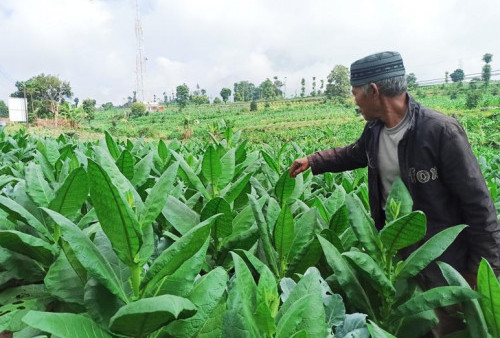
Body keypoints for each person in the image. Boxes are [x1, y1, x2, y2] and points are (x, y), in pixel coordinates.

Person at [289, 51, 500, 335]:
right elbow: (353, 154)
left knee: (448, 328)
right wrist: (314, 160)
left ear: (373, 91)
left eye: (355, 93)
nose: (355, 101)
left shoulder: (440, 131)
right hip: (400, 256)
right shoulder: (375, 130)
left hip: (445, 261)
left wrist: (482, 269)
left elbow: (479, 205)